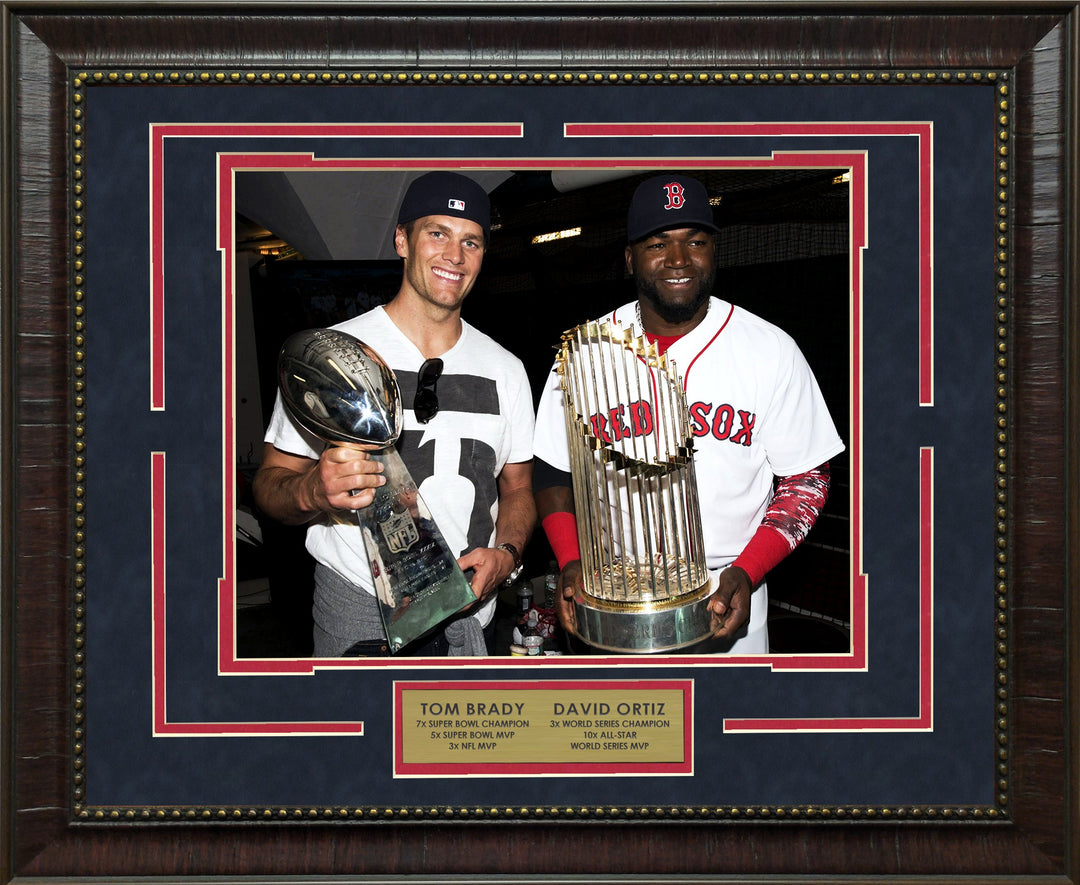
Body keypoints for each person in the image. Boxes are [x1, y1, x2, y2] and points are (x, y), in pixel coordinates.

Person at [533, 173, 845, 654]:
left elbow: (807, 479)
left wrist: (749, 570)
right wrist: (570, 560)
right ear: (630, 258)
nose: (679, 259)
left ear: (714, 251)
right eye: (658, 244)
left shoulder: (770, 350)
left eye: (695, 241)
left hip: (730, 589)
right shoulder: (584, 354)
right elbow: (552, 469)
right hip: (615, 591)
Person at [254, 171, 535, 657]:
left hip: (473, 621)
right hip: (361, 619)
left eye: (471, 241)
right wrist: (311, 490)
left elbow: (518, 488)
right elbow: (269, 484)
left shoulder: (506, 370)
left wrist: (507, 555)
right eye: (437, 233)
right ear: (402, 240)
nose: (455, 255)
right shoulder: (334, 355)